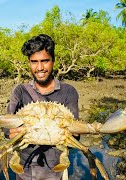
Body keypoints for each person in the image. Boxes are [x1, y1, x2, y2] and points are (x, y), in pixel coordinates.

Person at [6, 34, 79, 179]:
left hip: (55, 169)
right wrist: (10, 132)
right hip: (24, 167)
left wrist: (71, 133)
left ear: (53, 61)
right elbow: (6, 123)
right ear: (29, 63)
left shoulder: (68, 92)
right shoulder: (20, 91)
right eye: (34, 62)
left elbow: (76, 132)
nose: (39, 67)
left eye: (45, 61)